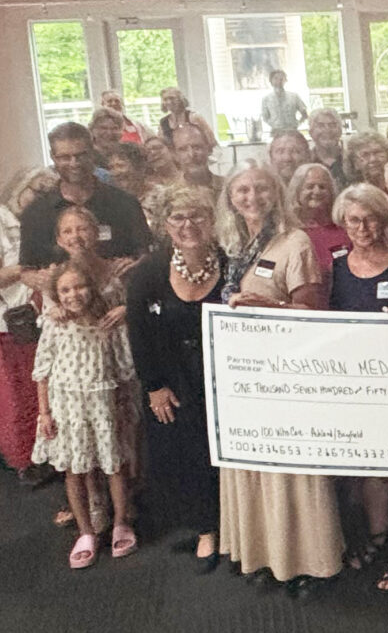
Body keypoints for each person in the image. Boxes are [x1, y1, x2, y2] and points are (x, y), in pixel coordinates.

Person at [216, 166, 342, 595]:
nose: (252, 196)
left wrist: (266, 308)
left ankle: (306, 561)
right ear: (231, 196)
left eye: (262, 187)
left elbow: (312, 312)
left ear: (277, 193)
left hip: (286, 374)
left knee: (290, 471)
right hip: (242, 376)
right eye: (243, 189)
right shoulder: (232, 245)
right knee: (253, 464)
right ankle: (262, 555)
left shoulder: (296, 240)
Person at [126, 185, 225, 574]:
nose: (189, 225)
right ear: (164, 224)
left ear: (212, 219)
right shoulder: (148, 271)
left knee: (223, 454)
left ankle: (233, 527)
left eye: (197, 216)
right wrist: (153, 386)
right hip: (172, 379)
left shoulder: (231, 262)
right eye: (179, 218)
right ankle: (204, 528)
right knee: (186, 453)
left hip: (222, 377)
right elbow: (138, 332)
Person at [325, 183, 388, 589]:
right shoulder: (338, 268)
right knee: (372, 465)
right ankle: (380, 535)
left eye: (371, 219)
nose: (363, 227)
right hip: (357, 383)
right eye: (354, 220)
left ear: (384, 220)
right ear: (343, 223)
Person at [34, 259, 139, 568]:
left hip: (103, 404)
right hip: (67, 407)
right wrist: (44, 413)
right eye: (65, 290)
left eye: (79, 287)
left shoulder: (109, 322)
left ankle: (121, 522)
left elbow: (123, 367)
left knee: (114, 465)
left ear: (92, 289)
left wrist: (122, 405)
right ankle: (86, 531)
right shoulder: (54, 323)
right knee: (74, 470)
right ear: (56, 294)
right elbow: (42, 370)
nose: (73, 295)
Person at [0, 167, 57, 484]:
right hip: (7, 325)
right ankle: (22, 460)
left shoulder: (48, 222)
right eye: (35, 189)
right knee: (13, 397)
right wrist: (24, 269)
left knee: (44, 393)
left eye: (48, 192)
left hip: (47, 320)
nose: (40, 198)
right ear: (19, 187)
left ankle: (50, 454)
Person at [20, 122, 152, 270]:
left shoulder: (125, 203)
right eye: (65, 157)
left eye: (80, 155)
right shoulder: (36, 212)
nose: (74, 163)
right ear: (53, 157)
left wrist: (136, 265)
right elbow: (27, 269)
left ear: (92, 152)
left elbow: (146, 254)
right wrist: (38, 278)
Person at [290, 162, 348, 272]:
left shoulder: (344, 227)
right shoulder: (287, 230)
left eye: (322, 187)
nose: (316, 191)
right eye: (310, 187)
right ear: (297, 191)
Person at [171, 123, 224, 194]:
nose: (191, 154)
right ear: (175, 154)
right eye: (183, 149)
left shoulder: (229, 187)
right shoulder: (167, 195)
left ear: (209, 149)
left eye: (197, 147)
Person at [308, 107, 348, 187]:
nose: (327, 130)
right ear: (311, 132)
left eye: (332, 125)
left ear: (340, 131)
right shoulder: (305, 162)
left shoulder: (352, 160)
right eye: (320, 126)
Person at [261, 69, 309, 136]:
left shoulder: (294, 96)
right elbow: (265, 117)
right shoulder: (266, 99)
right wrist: (274, 125)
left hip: (292, 132)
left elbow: (305, 114)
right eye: (275, 78)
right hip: (276, 134)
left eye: (281, 78)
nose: (279, 81)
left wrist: (296, 124)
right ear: (270, 80)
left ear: (285, 80)